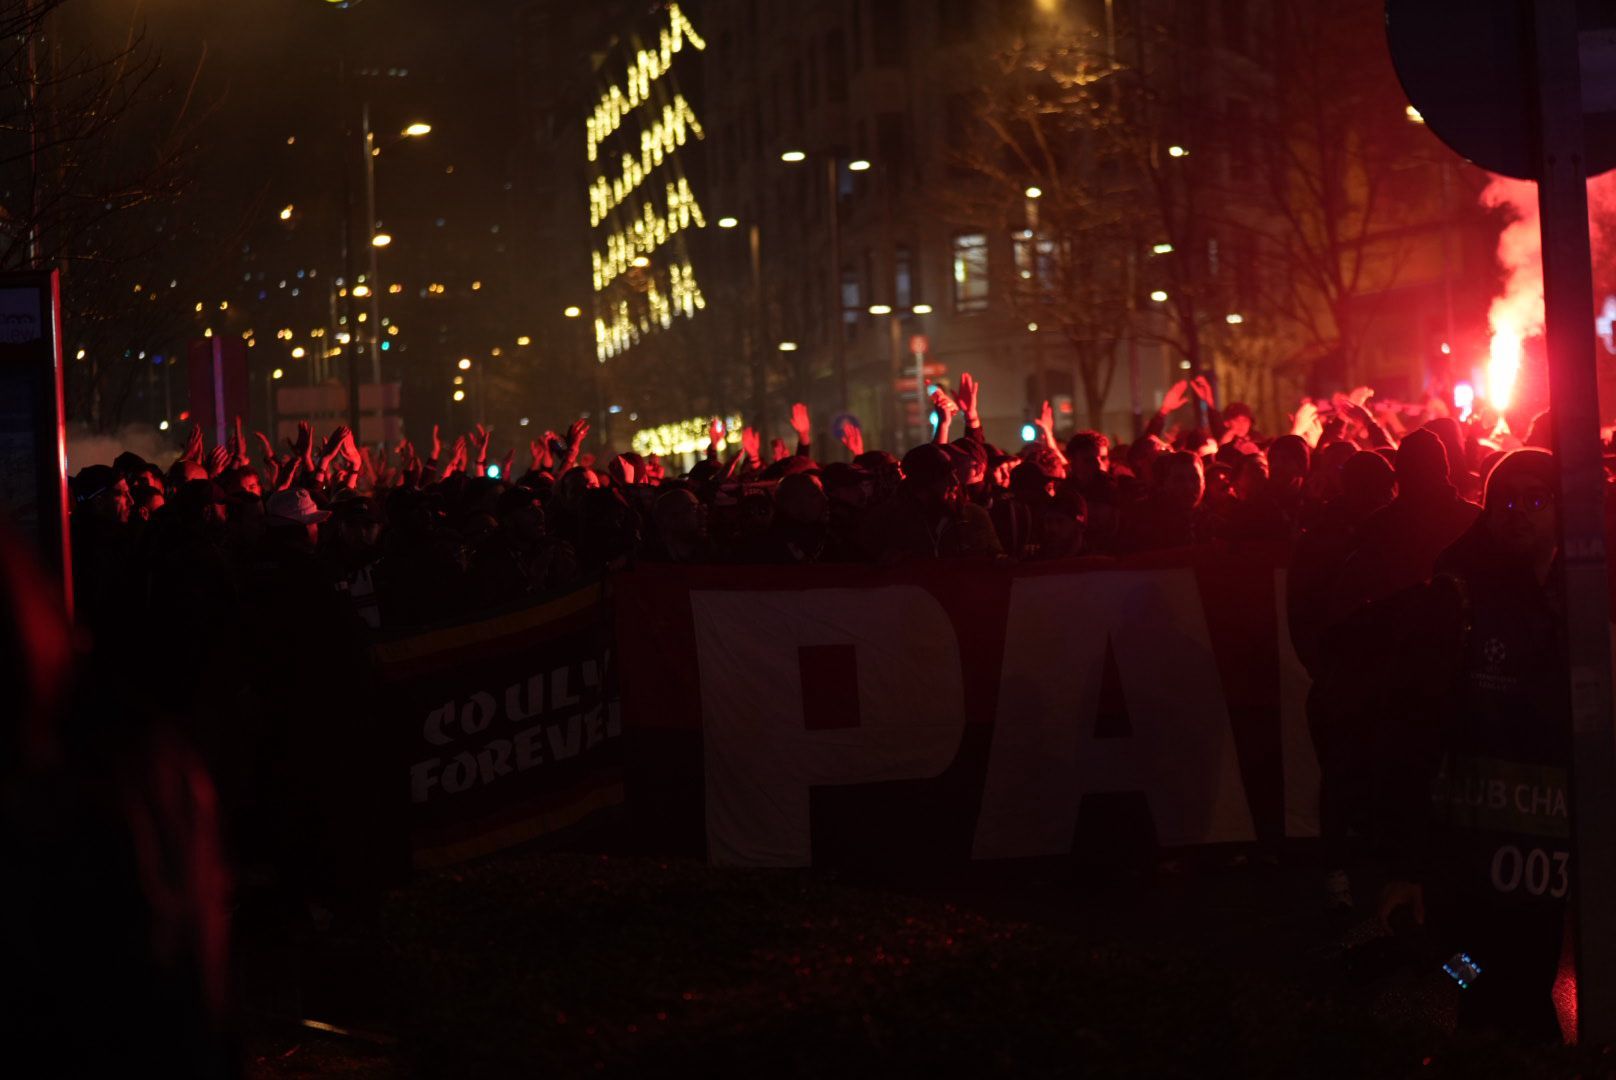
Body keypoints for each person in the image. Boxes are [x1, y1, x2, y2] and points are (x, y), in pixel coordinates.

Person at [1377, 449, 1568, 1043]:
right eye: (1506, 502)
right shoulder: (1457, 594)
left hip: (1551, 847)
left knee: (1530, 980)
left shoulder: (1589, 590)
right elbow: (1414, 725)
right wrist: (1407, 861)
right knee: (1470, 977)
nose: (1520, 515)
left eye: (1537, 500)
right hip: (1469, 842)